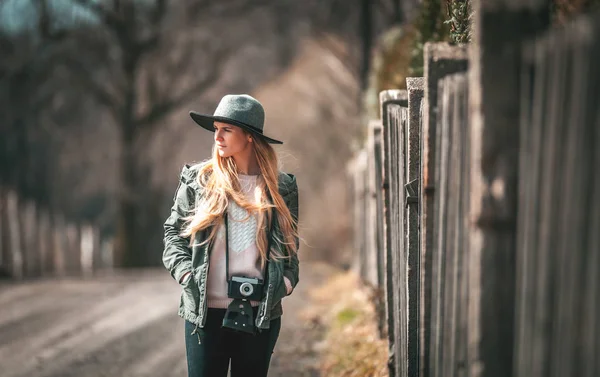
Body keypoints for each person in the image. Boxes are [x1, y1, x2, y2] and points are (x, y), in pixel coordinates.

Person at [162, 94, 300, 377]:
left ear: (249, 136)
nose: (218, 137)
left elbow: (290, 249)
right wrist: (187, 275)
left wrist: (283, 284)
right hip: (204, 314)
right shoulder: (198, 180)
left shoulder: (281, 187)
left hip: (259, 313)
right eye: (216, 129)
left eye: (227, 129)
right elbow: (173, 234)